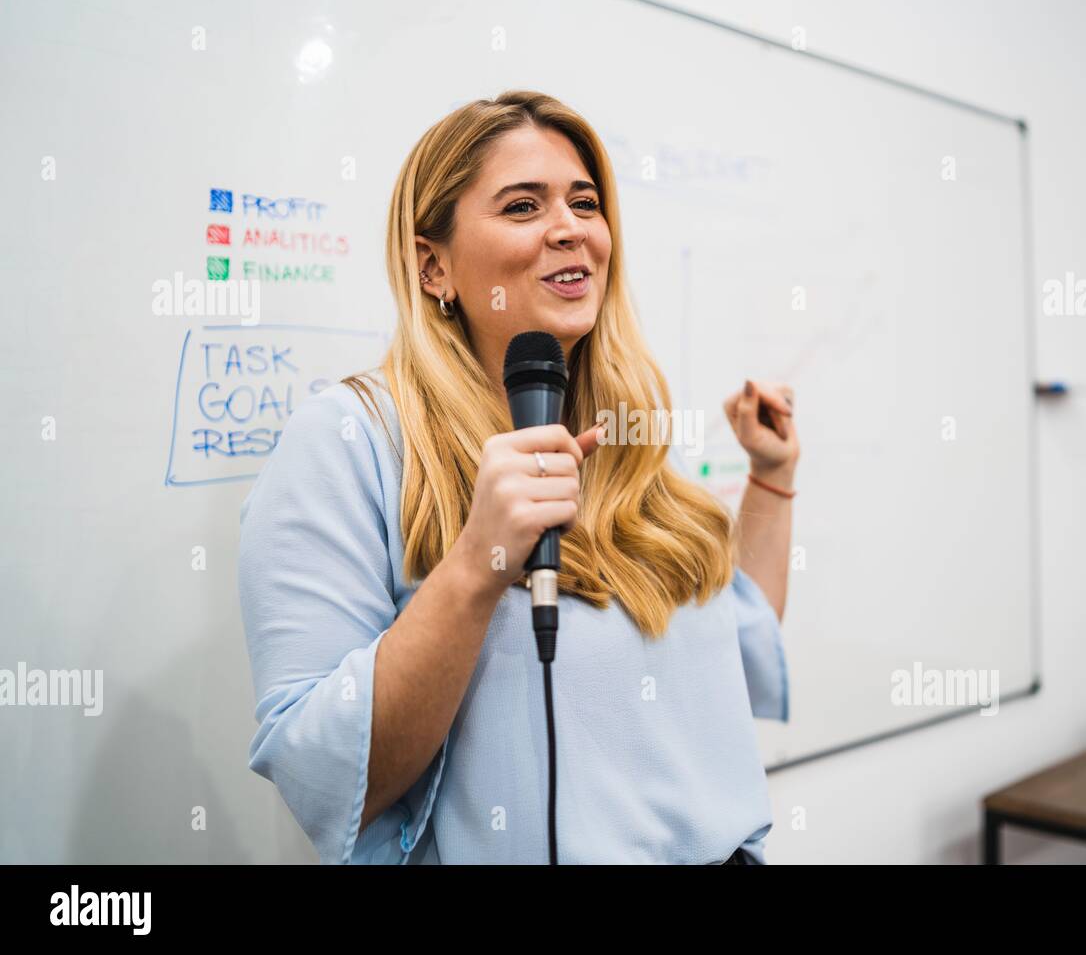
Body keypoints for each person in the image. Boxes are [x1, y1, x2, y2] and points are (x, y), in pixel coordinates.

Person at [238, 90, 799, 864]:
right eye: (523, 205)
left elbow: (737, 641)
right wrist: (477, 563)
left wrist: (771, 481)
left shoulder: (622, 437)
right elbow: (326, 774)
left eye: (585, 202)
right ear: (433, 263)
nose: (570, 228)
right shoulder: (349, 441)